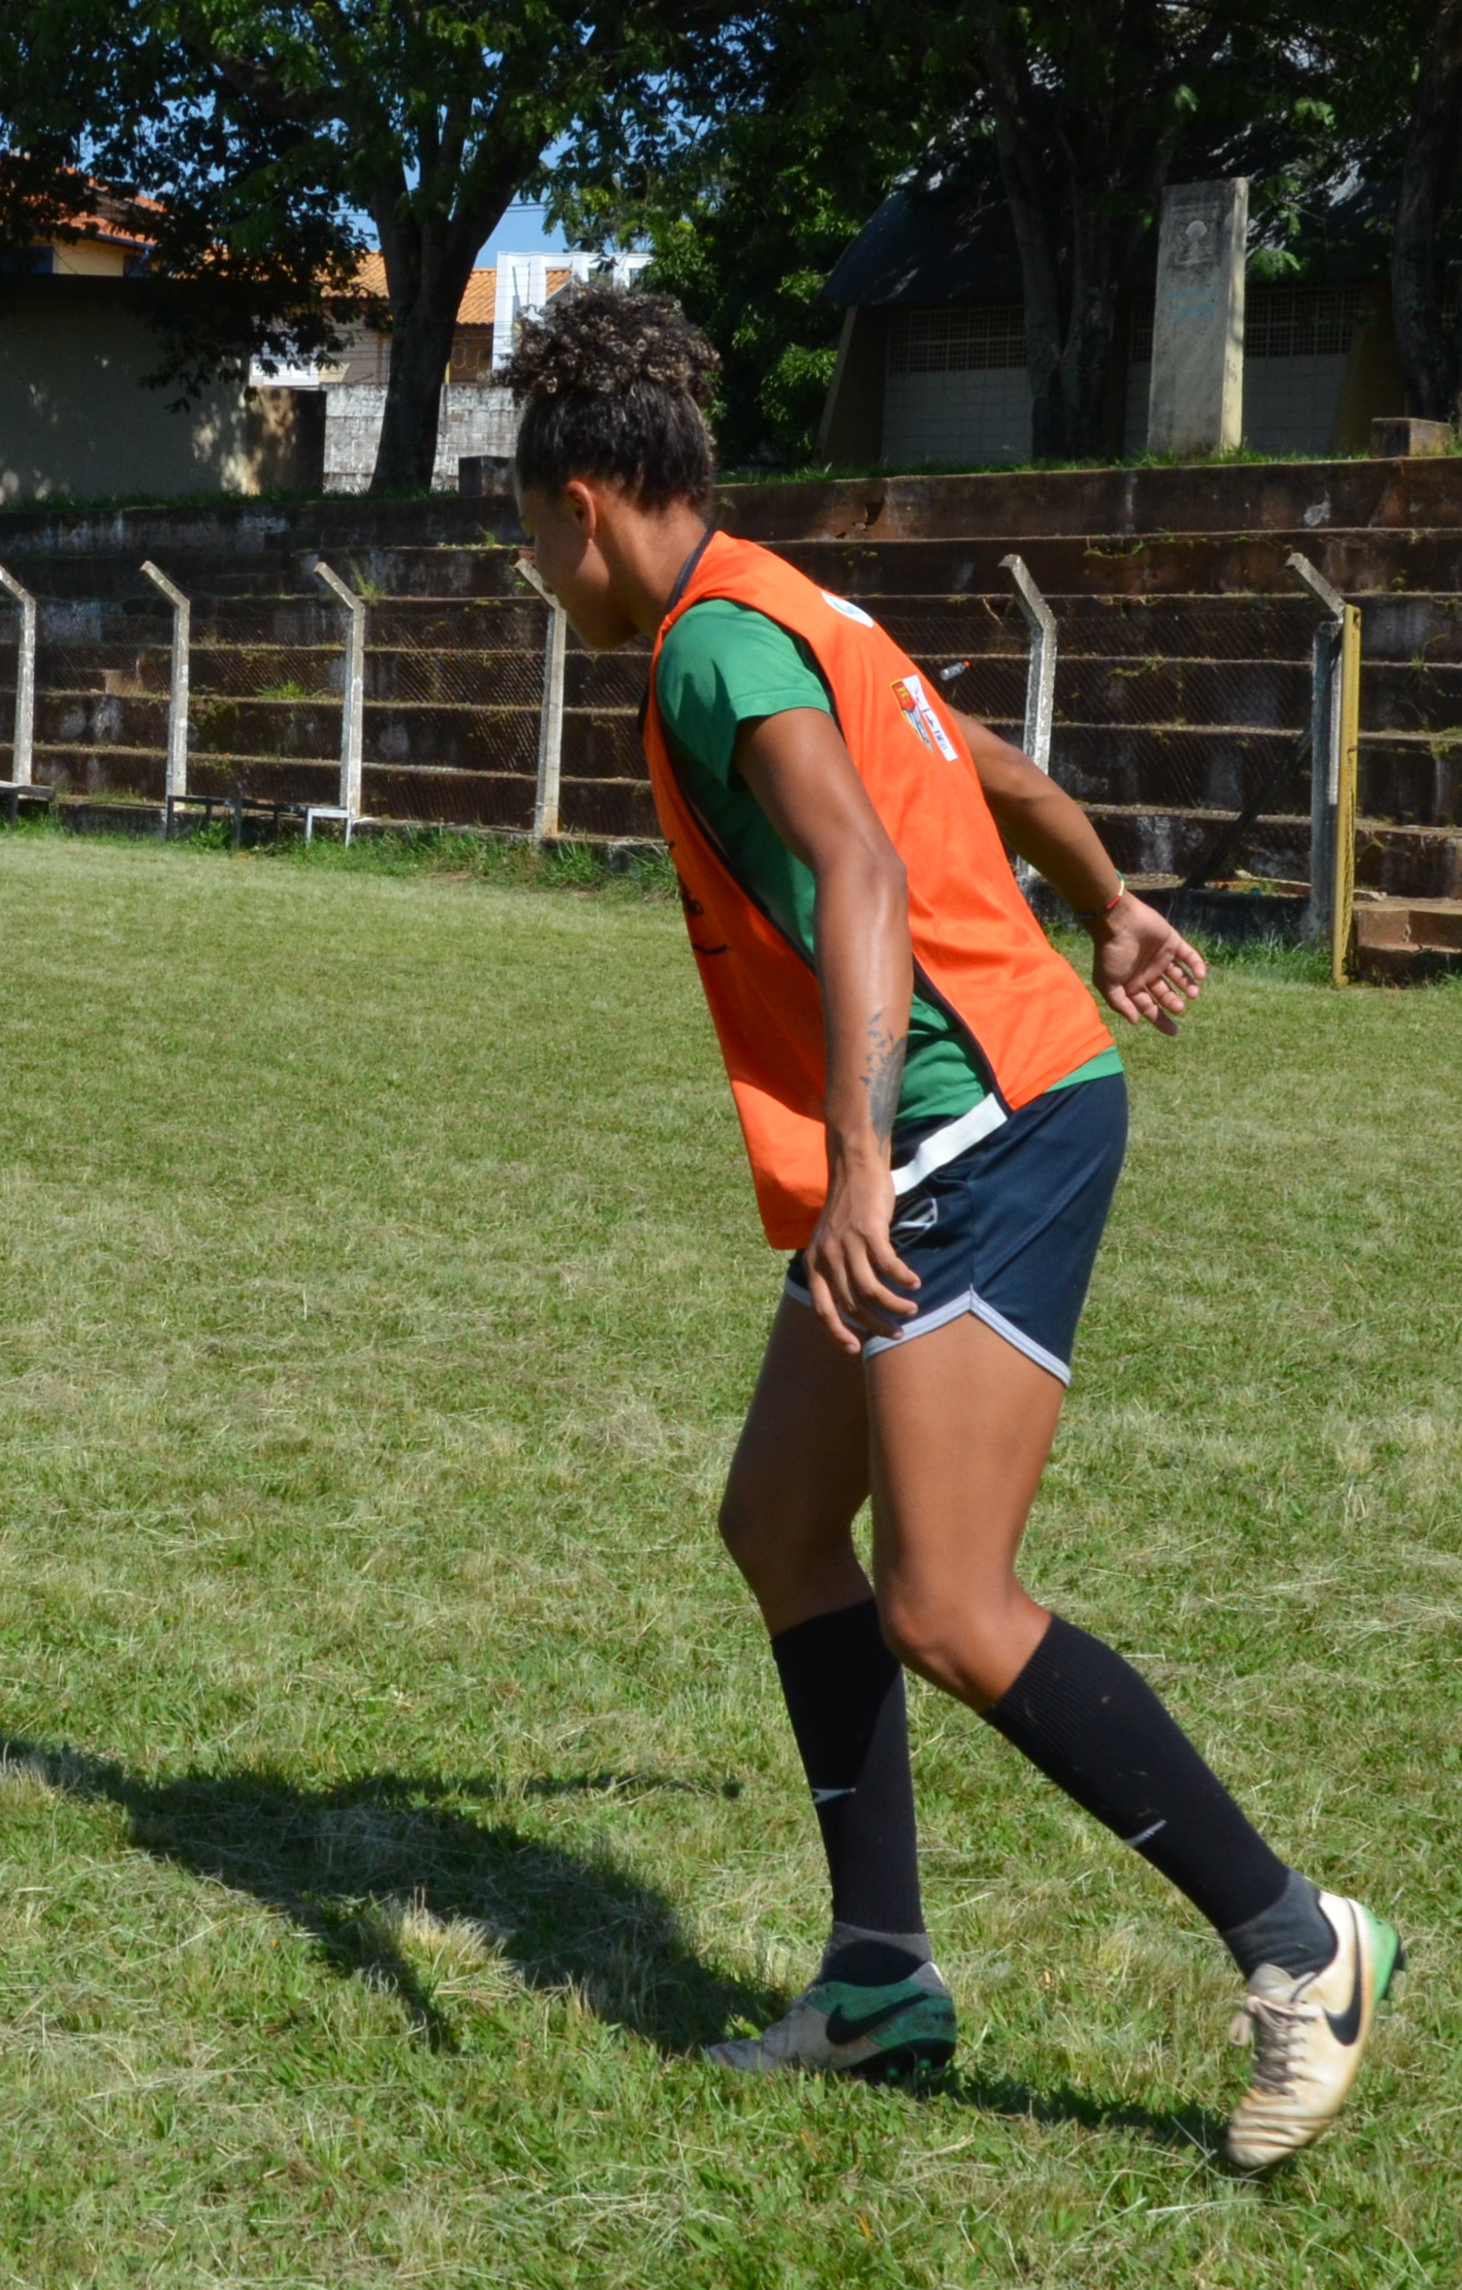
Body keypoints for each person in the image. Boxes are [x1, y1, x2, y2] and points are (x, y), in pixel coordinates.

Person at [502, 288, 1396, 2170]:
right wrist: (1109, 898)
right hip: (971, 1103)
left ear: (582, 500)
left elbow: (860, 867)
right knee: (775, 1521)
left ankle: (1301, 1943)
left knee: (945, 1600)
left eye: (526, 529)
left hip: (971, 1129)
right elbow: (966, 751)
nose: (532, 568)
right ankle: (884, 1974)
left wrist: (853, 1170)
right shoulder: (786, 600)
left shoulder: (704, 653)